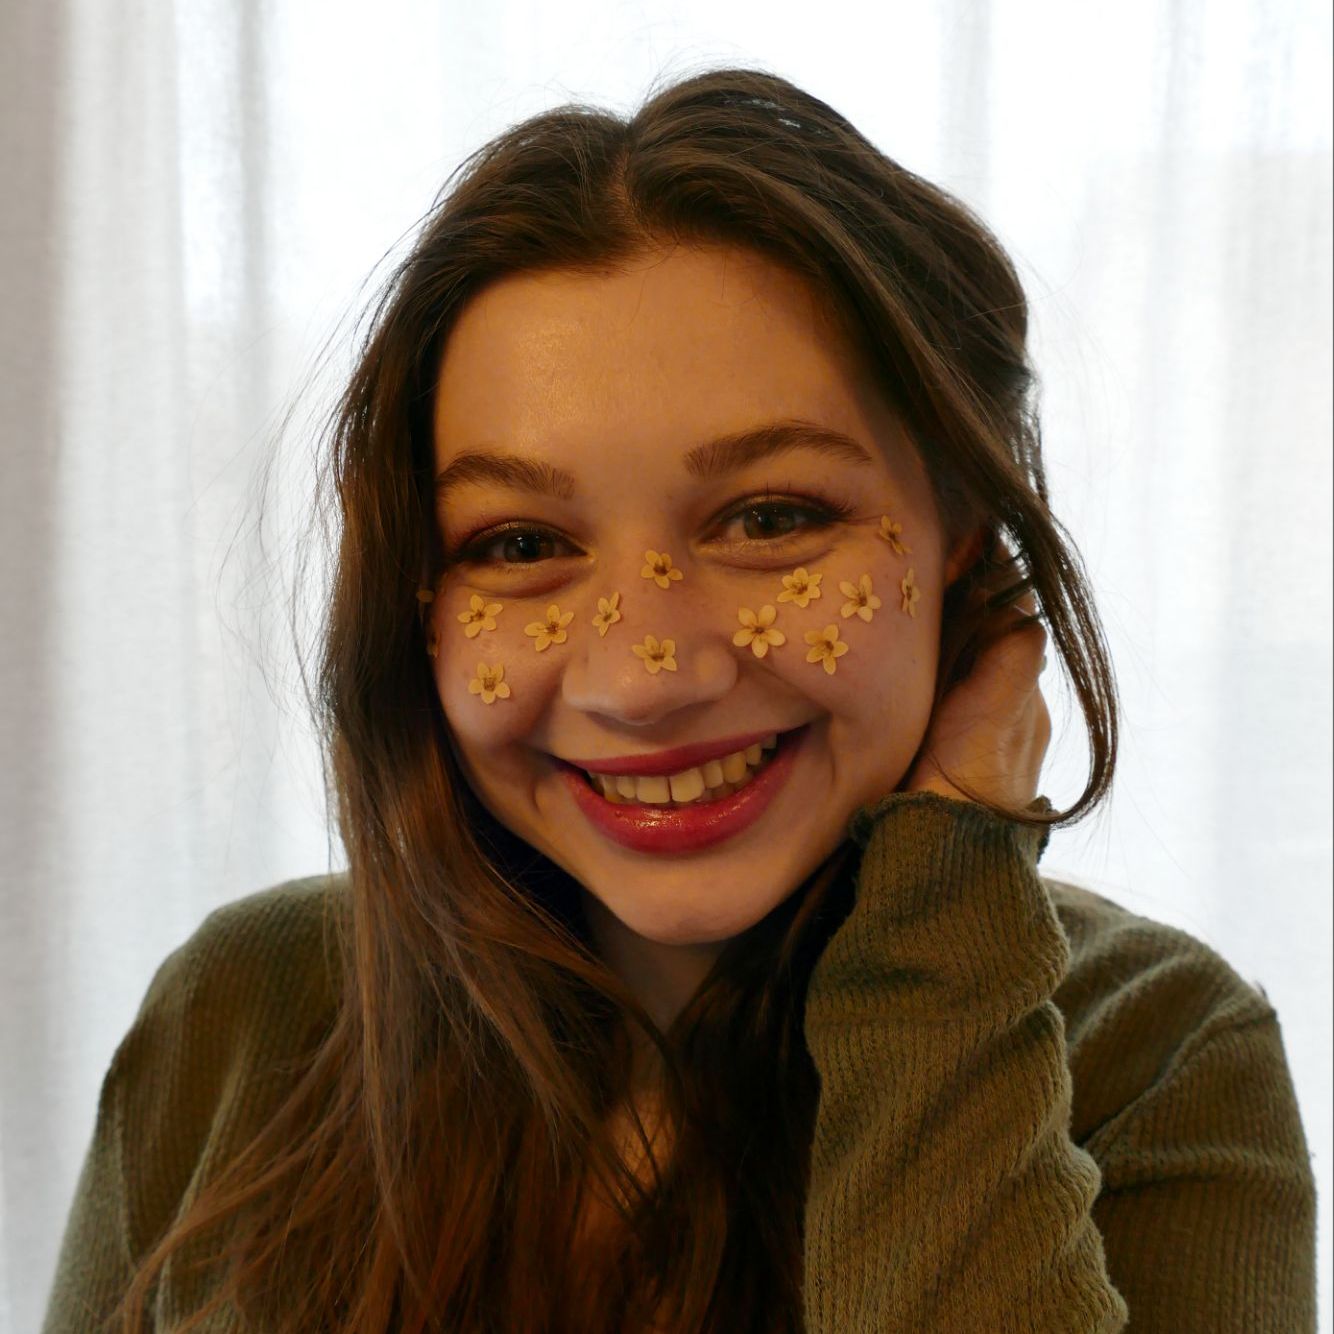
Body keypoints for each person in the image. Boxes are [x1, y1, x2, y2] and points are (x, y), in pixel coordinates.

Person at [42, 66, 1315, 1334]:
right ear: (412, 602)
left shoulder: (1158, 1050)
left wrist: (942, 930)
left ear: (961, 545)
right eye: (521, 544)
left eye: (769, 518)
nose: (643, 676)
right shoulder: (235, 1018)